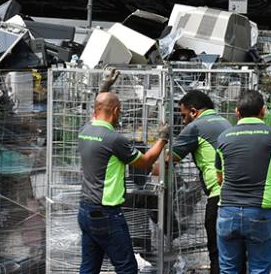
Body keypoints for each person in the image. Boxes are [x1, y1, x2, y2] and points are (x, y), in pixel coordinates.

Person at [77, 92, 170, 274]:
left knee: (89, 267)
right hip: (106, 213)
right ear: (116, 111)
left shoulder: (85, 131)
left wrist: (105, 87)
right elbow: (145, 162)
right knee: (127, 267)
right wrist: (163, 138)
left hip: (85, 210)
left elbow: (94, 115)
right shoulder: (114, 140)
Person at [215, 90, 271, 274]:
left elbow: (220, 178)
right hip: (260, 212)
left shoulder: (223, 138)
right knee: (259, 269)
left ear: (237, 112)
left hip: (227, 211)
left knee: (228, 269)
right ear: (263, 111)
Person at [169, 90, 233, 274]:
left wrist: (163, 142)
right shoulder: (225, 122)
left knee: (216, 251)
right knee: (233, 254)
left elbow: (169, 159)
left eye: (183, 115)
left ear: (194, 111)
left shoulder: (195, 127)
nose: (183, 121)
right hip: (237, 194)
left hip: (218, 194)